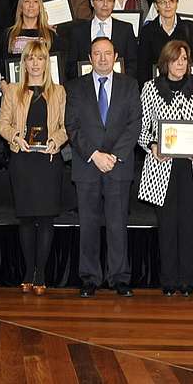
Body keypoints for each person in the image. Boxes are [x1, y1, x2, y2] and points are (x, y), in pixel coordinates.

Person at [138, 40, 193, 295]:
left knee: (190, 225)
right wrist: (152, 146)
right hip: (162, 166)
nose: (180, 64)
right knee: (167, 225)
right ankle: (168, 279)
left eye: (184, 59)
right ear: (165, 62)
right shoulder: (150, 88)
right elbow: (141, 129)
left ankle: (188, 279)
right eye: (175, 59)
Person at [65, 36, 142, 297]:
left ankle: (119, 277)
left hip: (118, 166)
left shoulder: (130, 85)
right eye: (96, 54)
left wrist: (114, 156)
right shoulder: (75, 87)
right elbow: (72, 127)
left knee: (117, 223)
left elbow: (134, 125)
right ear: (89, 58)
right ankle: (89, 278)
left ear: (115, 56)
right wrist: (94, 155)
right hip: (87, 165)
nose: (102, 58)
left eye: (107, 53)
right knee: (88, 224)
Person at [0, 40, 67, 296]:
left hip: (48, 161)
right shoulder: (13, 91)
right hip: (23, 160)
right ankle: (28, 272)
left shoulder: (58, 91)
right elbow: (1, 124)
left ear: (46, 62)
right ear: (23, 62)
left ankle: (42, 273)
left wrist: (56, 141)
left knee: (46, 220)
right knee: (26, 220)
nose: (35, 63)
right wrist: (15, 136)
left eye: (40, 59)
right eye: (30, 58)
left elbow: (64, 126)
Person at [137, 0, 193, 84]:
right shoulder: (147, 31)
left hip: (186, 88)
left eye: (172, 1)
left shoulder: (189, 28)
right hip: (157, 89)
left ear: (177, 3)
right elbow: (143, 69)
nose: (168, 6)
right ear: (156, 6)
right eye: (163, 2)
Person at [68, 0, 138, 79]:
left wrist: (122, 82)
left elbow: (133, 62)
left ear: (113, 4)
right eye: (100, 0)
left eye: (109, 0)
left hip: (119, 87)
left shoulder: (126, 29)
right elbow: (71, 64)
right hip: (85, 88)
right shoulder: (78, 31)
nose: (105, 4)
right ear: (92, 3)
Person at [1, 0, 64, 64]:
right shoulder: (9, 34)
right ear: (21, 7)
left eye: (35, 2)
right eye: (27, 1)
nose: (31, 5)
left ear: (40, 7)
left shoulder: (51, 35)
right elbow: (2, 63)